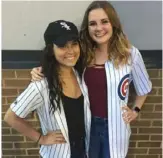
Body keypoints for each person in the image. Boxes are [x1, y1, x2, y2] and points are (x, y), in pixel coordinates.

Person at [30, 1, 152, 158]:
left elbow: (144, 87)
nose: (99, 28)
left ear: (113, 23)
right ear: (87, 28)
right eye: (92, 24)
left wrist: (135, 110)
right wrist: (39, 70)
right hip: (86, 126)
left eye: (104, 22)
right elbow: (58, 62)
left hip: (115, 126)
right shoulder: (82, 54)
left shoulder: (130, 54)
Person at [4, 20, 91, 158]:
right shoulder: (41, 84)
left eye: (74, 44)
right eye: (63, 46)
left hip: (84, 152)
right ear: (51, 49)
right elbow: (11, 117)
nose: (70, 51)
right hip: (59, 154)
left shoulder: (81, 75)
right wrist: (41, 139)